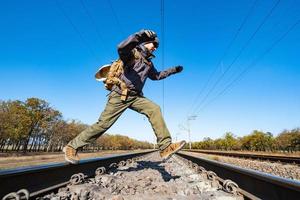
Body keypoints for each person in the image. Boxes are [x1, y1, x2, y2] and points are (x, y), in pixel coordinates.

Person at [63, 29, 186, 164]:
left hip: (135, 97)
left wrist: (173, 70)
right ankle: (72, 147)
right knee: (103, 124)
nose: (155, 48)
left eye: (157, 47)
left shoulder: (149, 63)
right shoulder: (132, 53)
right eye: (154, 45)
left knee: (154, 109)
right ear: (146, 42)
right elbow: (121, 48)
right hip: (120, 94)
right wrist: (139, 36)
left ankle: (165, 147)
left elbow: (156, 76)